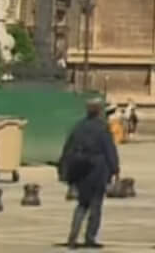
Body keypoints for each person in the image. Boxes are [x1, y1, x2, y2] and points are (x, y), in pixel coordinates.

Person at [60, 100, 120, 249]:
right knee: (96, 206)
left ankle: (73, 235)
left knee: (82, 204)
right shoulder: (102, 129)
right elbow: (109, 150)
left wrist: (66, 172)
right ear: (100, 112)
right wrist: (115, 169)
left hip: (80, 171)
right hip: (98, 171)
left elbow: (68, 149)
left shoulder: (78, 127)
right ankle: (90, 237)